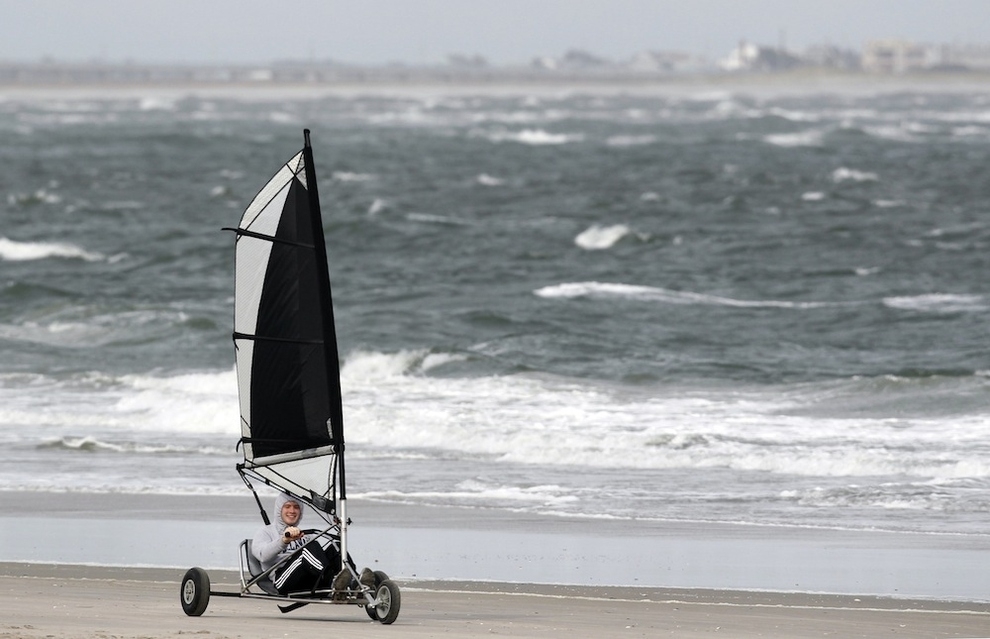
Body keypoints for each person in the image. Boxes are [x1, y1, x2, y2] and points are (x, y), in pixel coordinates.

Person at [252, 493, 373, 596]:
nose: (292, 511)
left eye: (296, 507)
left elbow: (320, 557)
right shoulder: (266, 532)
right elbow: (262, 555)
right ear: (279, 510)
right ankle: (333, 582)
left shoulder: (304, 535)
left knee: (335, 548)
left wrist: (339, 529)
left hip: (309, 581)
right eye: (287, 506)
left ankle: (355, 583)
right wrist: (284, 540)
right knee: (310, 548)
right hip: (282, 581)